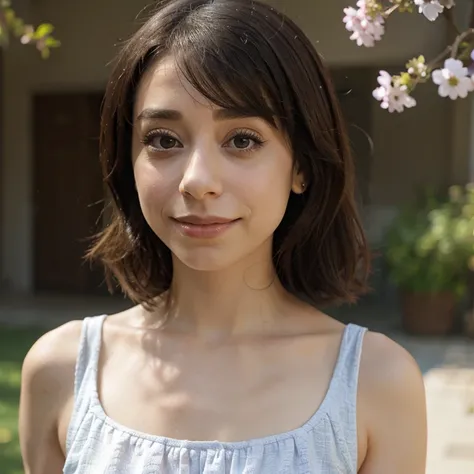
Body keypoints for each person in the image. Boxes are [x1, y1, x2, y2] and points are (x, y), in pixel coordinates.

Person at [19, 0, 427, 472]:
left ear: (302, 165)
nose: (197, 180)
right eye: (164, 140)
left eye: (242, 140)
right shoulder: (60, 370)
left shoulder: (375, 383)